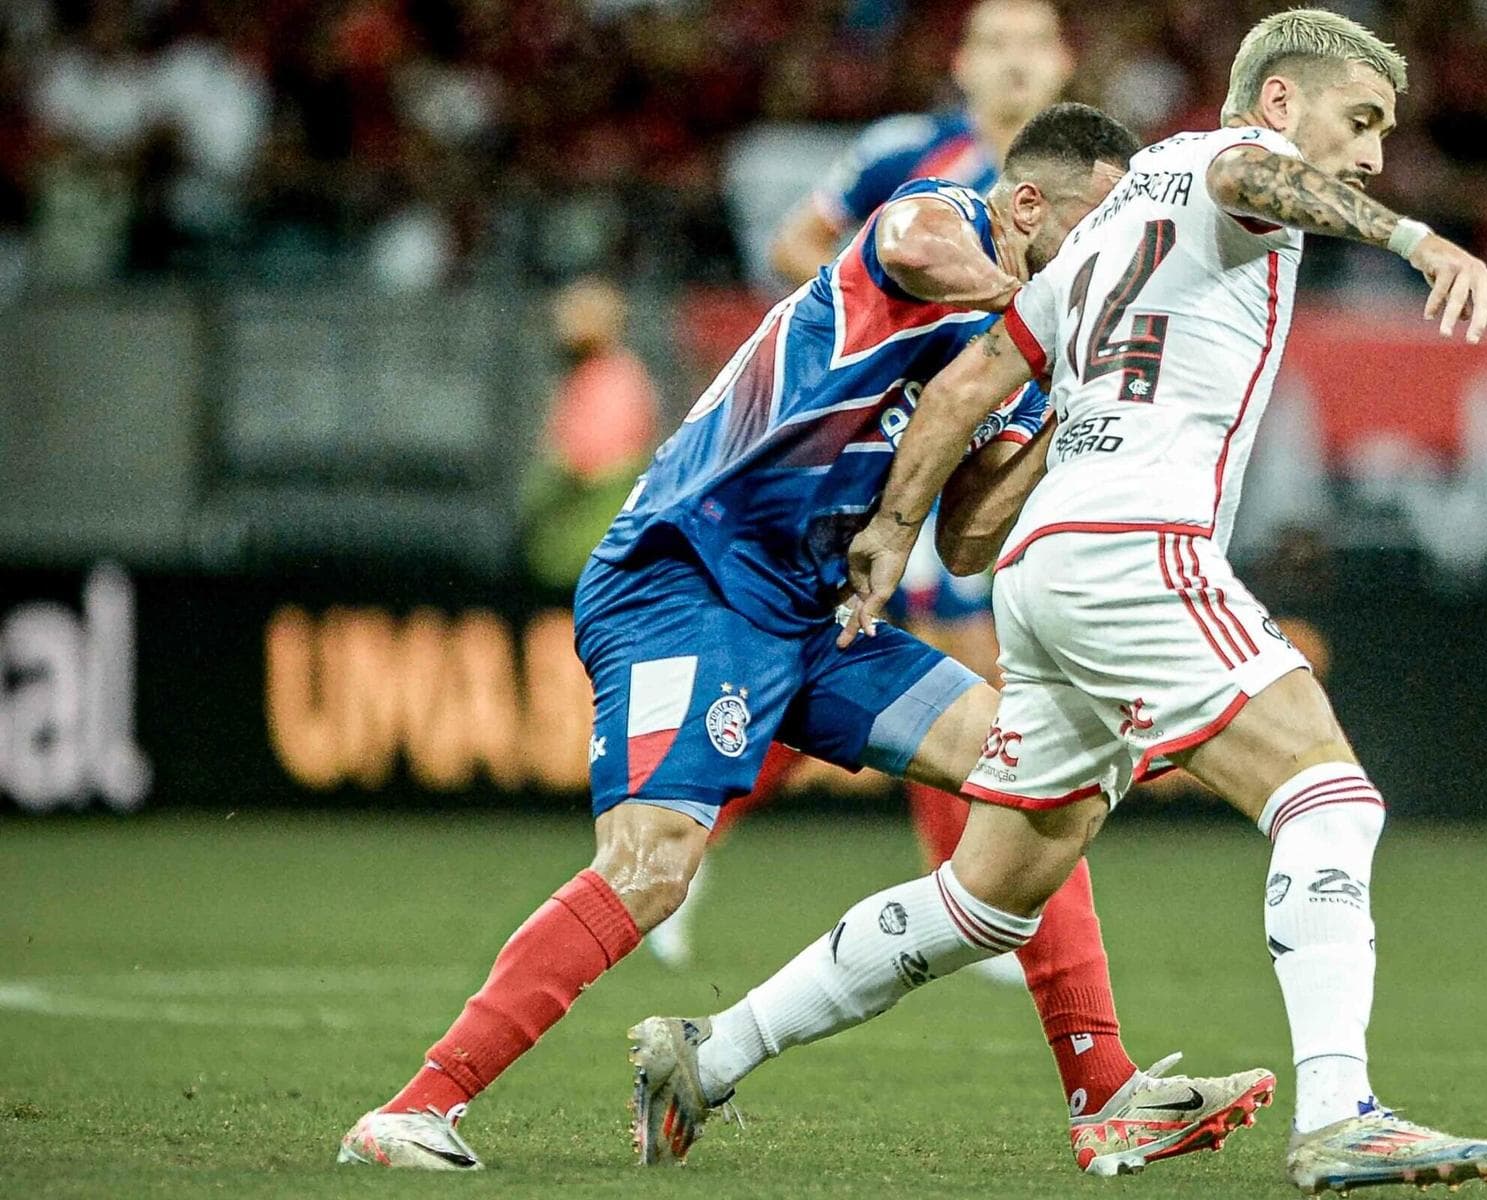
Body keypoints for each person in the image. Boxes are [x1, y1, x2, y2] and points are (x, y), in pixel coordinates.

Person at [627, 11, 1487, 1195]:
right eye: (1360, 124)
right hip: (1137, 550)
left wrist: (895, 533)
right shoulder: (1220, 164)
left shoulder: (1113, 218)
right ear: (1284, 103)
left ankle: (707, 1051)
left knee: (987, 894)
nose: (1372, 157)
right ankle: (1342, 1112)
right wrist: (1414, 239)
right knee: (1329, 799)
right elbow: (1252, 168)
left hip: (1042, 570)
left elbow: (975, 383)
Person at [337, 103, 1274, 1178]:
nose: (1112, 259)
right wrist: (1038, 307)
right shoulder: (937, 222)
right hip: (687, 579)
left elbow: (965, 541)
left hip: (822, 614)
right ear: (1024, 205)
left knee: (1036, 780)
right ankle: (415, 1108)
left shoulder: (1019, 364)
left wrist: (1067, 412)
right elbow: (911, 244)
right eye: (1095, 229)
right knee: (651, 869)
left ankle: (1105, 1095)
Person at [656, 0, 1077, 979]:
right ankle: (966, 903)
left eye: (1034, 45)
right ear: (963, 64)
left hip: (989, 439)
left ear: (1062, 65)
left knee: (872, 667)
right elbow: (795, 247)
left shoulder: (1080, 183)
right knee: (947, 660)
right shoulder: (910, 158)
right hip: (887, 444)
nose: (1015, 65)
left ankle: (690, 840)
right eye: (996, 45)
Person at [520, 278, 661, 590]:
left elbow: (590, 461)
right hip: (570, 546)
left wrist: (550, 479)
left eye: (577, 311)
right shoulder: (584, 376)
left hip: (592, 547)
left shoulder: (615, 378)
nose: (563, 322)